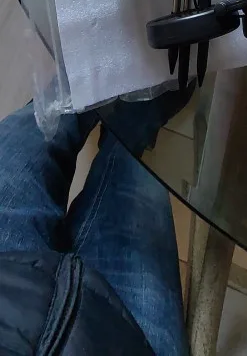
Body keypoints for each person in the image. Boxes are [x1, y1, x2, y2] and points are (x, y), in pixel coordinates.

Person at [0, 86, 194, 355]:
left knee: (48, 114)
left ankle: (85, 82)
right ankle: (133, 115)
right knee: (133, 158)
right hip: (120, 340)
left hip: (7, 292)